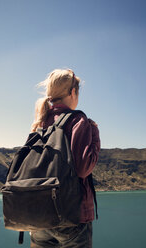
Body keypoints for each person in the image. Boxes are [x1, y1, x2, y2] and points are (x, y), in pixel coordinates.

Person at [30, 69, 101, 248]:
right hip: (72, 217)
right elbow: (83, 168)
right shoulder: (78, 121)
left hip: (39, 216)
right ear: (72, 92)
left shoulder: (40, 121)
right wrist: (94, 133)